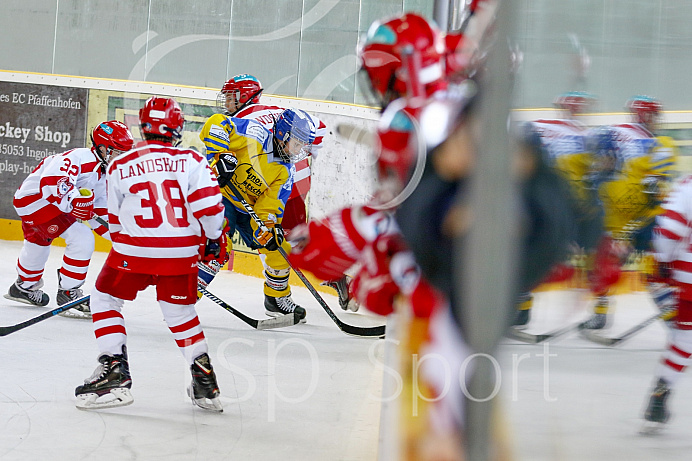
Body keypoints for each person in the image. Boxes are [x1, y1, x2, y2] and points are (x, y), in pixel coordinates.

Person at [75, 97, 226, 412]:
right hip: (181, 253)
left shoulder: (120, 164)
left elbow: (115, 220)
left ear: (143, 127)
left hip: (134, 250)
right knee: (180, 313)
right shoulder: (192, 160)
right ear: (177, 128)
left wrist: (129, 250)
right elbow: (210, 208)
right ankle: (204, 379)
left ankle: (114, 369)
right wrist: (212, 240)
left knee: (104, 299)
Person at [211, 74, 357, 310]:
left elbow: (221, 146)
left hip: (272, 185)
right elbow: (318, 131)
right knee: (284, 239)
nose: (227, 103)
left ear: (244, 97)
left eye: (230, 98)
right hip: (295, 181)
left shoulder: (240, 119)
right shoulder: (280, 110)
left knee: (273, 239)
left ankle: (281, 296)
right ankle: (329, 279)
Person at [4, 120, 133, 319]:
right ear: (102, 147)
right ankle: (68, 293)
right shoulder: (80, 157)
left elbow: (100, 212)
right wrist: (74, 202)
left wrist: (122, 236)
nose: (122, 159)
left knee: (38, 243)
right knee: (82, 238)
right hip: (40, 203)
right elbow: (52, 181)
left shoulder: (104, 174)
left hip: (39, 205)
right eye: (118, 152)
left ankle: (24, 286)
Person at [198, 105, 314, 322]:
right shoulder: (254, 133)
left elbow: (269, 208)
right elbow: (216, 123)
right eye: (295, 143)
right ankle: (186, 297)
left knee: (280, 249)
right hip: (219, 195)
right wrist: (220, 155)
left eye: (301, 146)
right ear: (282, 134)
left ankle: (275, 300)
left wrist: (269, 231)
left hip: (246, 209)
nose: (297, 150)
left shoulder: (285, 171)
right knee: (219, 244)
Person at [580, 95, 679, 330]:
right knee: (602, 261)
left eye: (603, 157)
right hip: (634, 221)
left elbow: (654, 202)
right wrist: (622, 240)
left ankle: (674, 318)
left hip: (650, 223)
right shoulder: (609, 179)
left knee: (653, 271)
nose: (600, 161)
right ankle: (601, 312)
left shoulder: (641, 154)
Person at [511, 91, 603, 328]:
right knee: (533, 252)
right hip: (558, 203)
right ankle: (523, 309)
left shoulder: (587, 135)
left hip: (564, 204)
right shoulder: (576, 133)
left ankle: (523, 310)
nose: (579, 111)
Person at [640, 174, 692, 433]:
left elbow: (669, 230)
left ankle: (660, 394)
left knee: (685, 339)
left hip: (689, 280)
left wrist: (663, 263)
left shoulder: (687, 186)